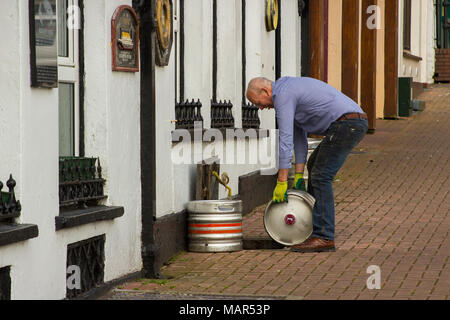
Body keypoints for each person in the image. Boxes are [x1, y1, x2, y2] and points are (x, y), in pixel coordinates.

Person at [246, 76, 368, 253]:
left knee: (320, 175)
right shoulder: (288, 92)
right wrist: (298, 175)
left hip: (348, 123)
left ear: (266, 91)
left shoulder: (283, 95)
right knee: (315, 165)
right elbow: (299, 138)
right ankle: (313, 229)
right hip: (351, 122)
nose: (261, 107)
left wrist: (281, 181)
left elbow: (285, 140)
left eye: (259, 102)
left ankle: (324, 236)